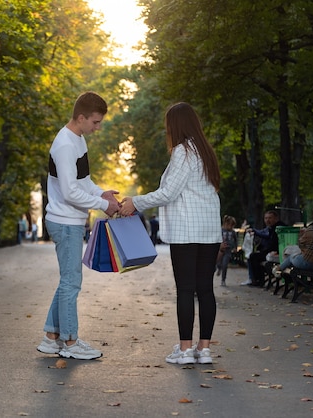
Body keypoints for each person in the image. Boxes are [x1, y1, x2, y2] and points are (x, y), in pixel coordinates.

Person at [120, 102, 221, 365]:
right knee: (206, 290)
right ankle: (204, 349)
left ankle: (186, 350)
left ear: (174, 126)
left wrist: (136, 202)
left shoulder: (182, 151)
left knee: (186, 290)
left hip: (187, 231)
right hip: (209, 231)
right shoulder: (205, 151)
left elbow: (169, 193)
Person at [37, 91, 120, 360]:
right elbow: (71, 192)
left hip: (71, 220)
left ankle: (51, 338)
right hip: (64, 221)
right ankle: (70, 342)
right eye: (95, 122)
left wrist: (102, 194)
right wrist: (103, 206)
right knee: (71, 283)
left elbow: (83, 182)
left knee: (67, 282)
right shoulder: (64, 145)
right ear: (81, 117)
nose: (98, 128)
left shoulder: (78, 140)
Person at [272, 209, 313, 277]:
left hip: (308, 263)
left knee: (290, 257)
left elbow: (300, 244)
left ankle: (279, 270)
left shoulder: (312, 229)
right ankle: (280, 270)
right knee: (293, 255)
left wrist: (302, 234)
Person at [241, 210, 286, 287]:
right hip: (269, 251)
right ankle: (255, 280)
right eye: (266, 218)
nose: (267, 220)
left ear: (276, 218)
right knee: (252, 256)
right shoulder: (270, 228)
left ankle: (258, 281)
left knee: (254, 257)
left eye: (270, 218)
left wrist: (255, 231)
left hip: (276, 252)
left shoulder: (279, 227)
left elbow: (270, 239)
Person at [216, 215, 237, 286]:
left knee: (225, 264)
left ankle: (223, 280)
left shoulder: (233, 232)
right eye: (230, 225)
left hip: (228, 250)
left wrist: (235, 247)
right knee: (218, 262)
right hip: (220, 250)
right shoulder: (221, 231)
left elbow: (235, 240)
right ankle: (219, 268)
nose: (231, 227)